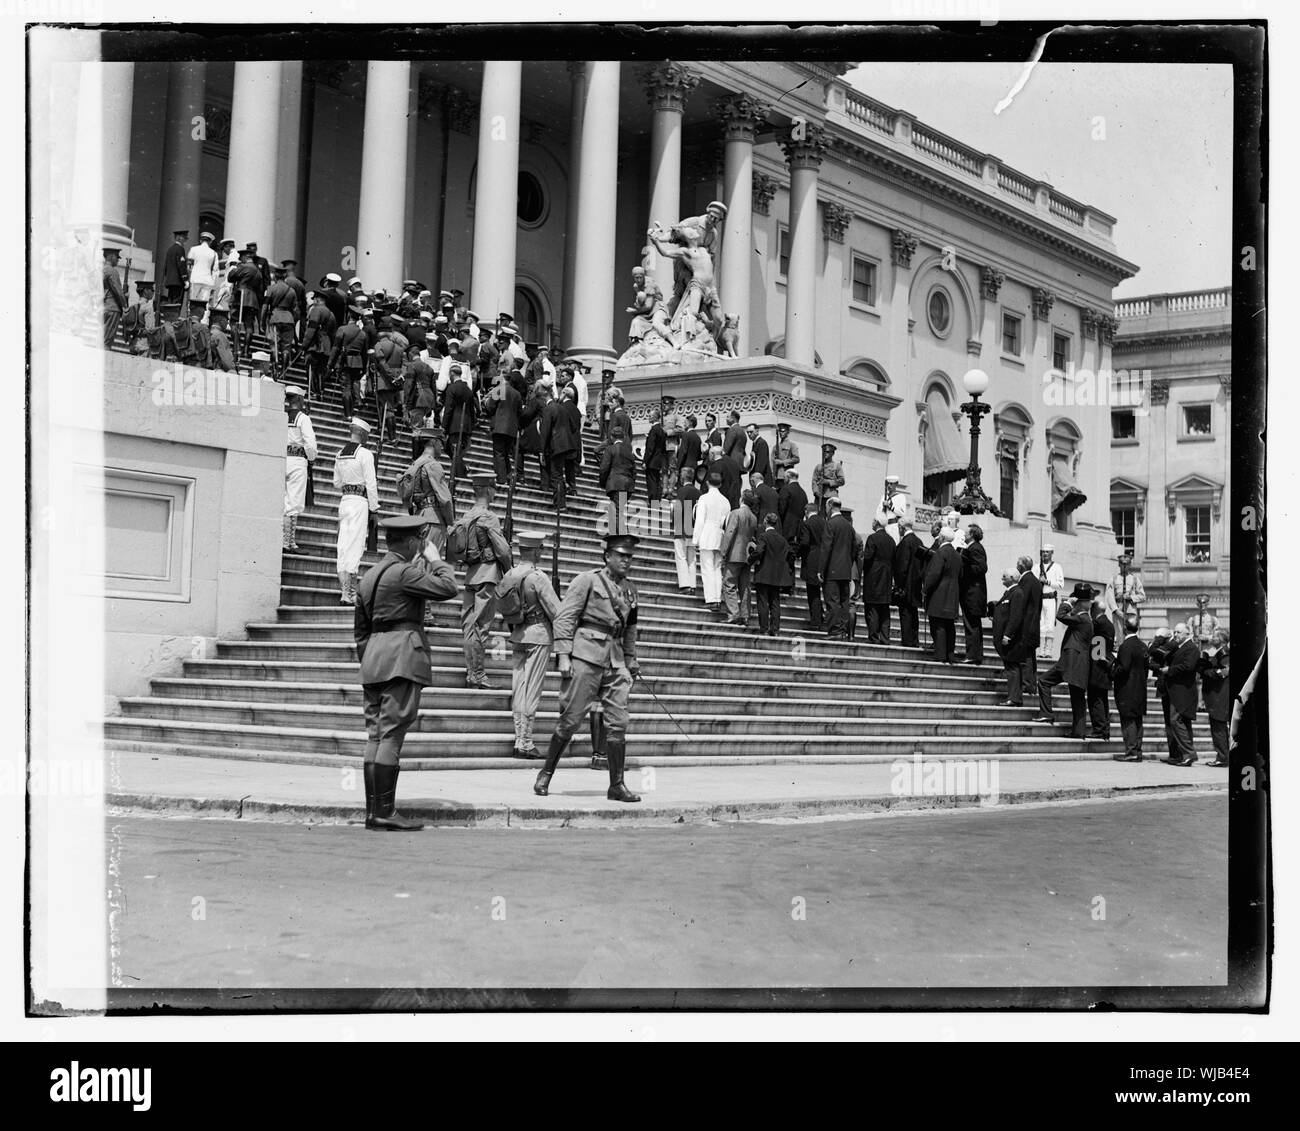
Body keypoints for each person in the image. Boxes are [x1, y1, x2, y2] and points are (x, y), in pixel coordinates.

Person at [355, 512, 460, 831]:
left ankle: (375, 811)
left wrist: (371, 657)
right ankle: (384, 813)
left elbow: (360, 631)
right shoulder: (403, 572)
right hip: (401, 658)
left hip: (374, 658)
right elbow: (448, 587)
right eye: (421, 541)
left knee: (376, 735)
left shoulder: (370, 574)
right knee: (391, 735)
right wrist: (436, 558)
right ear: (413, 541)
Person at [534, 532, 643, 803]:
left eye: (630, 557)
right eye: (621, 556)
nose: (626, 561)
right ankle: (546, 772)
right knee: (571, 719)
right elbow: (565, 617)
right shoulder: (588, 580)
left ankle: (616, 785)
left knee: (619, 722)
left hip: (615, 661)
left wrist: (631, 660)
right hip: (585, 656)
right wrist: (563, 655)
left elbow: (630, 628)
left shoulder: (631, 589)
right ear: (607, 556)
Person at [500, 531, 561, 760]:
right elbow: (556, 611)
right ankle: (525, 741)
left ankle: (519, 738)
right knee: (532, 690)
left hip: (518, 634)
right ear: (535, 551)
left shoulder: (511, 574)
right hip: (538, 636)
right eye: (541, 549)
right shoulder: (538, 577)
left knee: (519, 688)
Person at [457, 472, 514, 691]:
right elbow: (503, 550)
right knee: (481, 626)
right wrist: (509, 571)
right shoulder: (489, 517)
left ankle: (471, 670)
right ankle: (477, 673)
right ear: (489, 491)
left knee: (469, 625)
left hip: (471, 574)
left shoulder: (467, 515)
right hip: (488, 574)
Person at [1035, 583, 1095, 738]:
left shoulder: (1081, 618)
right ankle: (1078, 732)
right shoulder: (1086, 618)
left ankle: (1047, 713)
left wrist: (1068, 602)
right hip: (1078, 663)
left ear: (1078, 602)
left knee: (1043, 681)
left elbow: (1060, 615)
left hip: (1070, 661)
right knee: (1078, 699)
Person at [331, 417, 380, 604]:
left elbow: (336, 483)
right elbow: (371, 483)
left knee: (343, 546)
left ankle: (345, 591)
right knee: (355, 546)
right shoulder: (365, 454)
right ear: (362, 433)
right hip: (359, 502)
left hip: (345, 501)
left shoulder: (339, 453)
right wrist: (374, 508)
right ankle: (350, 593)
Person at [998, 555, 1042, 706]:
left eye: (1018, 563)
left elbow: (1020, 606)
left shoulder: (1025, 582)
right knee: (1029, 657)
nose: (1017, 565)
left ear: (1023, 566)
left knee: (1025, 658)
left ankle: (1027, 685)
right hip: (1032, 625)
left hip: (1026, 627)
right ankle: (1029, 685)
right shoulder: (1035, 581)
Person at [402, 429, 454, 555]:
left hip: (419, 516)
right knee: (430, 564)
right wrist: (450, 522)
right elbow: (445, 499)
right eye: (440, 443)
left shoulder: (415, 464)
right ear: (434, 443)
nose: (442, 446)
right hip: (434, 519)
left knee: (420, 564)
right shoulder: (433, 465)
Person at [819, 498, 861, 640]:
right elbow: (854, 548)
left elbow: (826, 549)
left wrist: (821, 570)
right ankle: (842, 630)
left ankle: (835, 631)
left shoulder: (830, 524)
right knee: (844, 602)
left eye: (826, 506)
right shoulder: (849, 526)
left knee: (832, 601)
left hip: (832, 570)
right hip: (845, 571)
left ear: (830, 506)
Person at [1160, 622, 1201, 765]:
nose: (1175, 635)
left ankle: (1189, 753)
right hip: (1177, 691)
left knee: (1175, 720)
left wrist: (1169, 670)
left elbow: (1188, 667)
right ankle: (1181, 755)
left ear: (1187, 634)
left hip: (1183, 692)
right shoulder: (1180, 647)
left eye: (1178, 632)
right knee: (1182, 722)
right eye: (1175, 632)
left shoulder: (1192, 648)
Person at [283, 386, 316, 552]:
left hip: (281, 458)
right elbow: (310, 444)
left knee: (283, 500)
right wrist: (311, 459)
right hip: (297, 461)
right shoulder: (303, 418)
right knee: (293, 502)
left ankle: (285, 540)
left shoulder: (281, 414)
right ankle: (288, 542)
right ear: (299, 399)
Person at [1112, 615, 1150, 762]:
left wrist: (1112, 670)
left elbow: (1123, 668)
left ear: (1125, 629)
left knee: (1128, 721)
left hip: (1127, 689)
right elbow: (1146, 670)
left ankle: (1131, 751)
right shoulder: (1142, 645)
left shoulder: (1126, 646)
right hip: (1140, 688)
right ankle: (1137, 750)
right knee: (1137, 720)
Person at [693, 471, 732, 613]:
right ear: (720, 484)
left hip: (707, 534)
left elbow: (700, 520)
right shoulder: (725, 501)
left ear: (707, 483)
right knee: (717, 569)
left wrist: (695, 539)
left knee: (707, 568)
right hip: (719, 535)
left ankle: (711, 599)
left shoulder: (704, 498)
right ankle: (717, 598)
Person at [922, 525, 962, 662]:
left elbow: (934, 574)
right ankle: (950, 654)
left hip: (939, 593)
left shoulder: (940, 553)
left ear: (942, 537)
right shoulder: (957, 555)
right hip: (953, 594)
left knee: (938, 625)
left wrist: (925, 589)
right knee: (949, 626)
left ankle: (940, 655)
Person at [541, 384, 583, 509]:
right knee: (558, 474)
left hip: (556, 446)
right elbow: (574, 427)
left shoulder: (549, 409)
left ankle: (560, 504)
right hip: (567, 445)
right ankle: (561, 501)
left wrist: (542, 450)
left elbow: (545, 431)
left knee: (556, 475)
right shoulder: (563, 408)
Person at [721, 488, 758, 627]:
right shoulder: (753, 517)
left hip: (734, 554)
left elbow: (730, 533)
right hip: (746, 556)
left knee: (729, 583)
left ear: (742, 498)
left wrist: (723, 551)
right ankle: (745, 615)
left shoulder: (736, 513)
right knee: (745, 586)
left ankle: (733, 614)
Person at [753, 512, 794, 636]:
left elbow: (759, 551)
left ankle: (764, 628)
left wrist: (751, 559)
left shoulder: (764, 536)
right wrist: (786, 566)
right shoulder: (782, 539)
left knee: (762, 601)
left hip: (763, 573)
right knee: (775, 603)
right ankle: (775, 629)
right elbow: (791, 553)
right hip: (777, 575)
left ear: (766, 521)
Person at [329, 305, 369, 420]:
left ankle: (348, 414)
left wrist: (330, 363)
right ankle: (351, 412)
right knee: (351, 386)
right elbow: (364, 354)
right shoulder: (362, 334)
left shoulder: (342, 329)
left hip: (345, 362)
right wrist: (364, 369)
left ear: (349, 315)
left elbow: (336, 348)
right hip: (358, 363)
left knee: (346, 387)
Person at [860, 518, 896, 645]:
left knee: (872, 608)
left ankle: (874, 637)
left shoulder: (872, 538)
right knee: (884, 609)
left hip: (874, 577)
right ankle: (885, 637)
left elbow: (868, 557)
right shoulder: (891, 540)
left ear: (876, 524)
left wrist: (862, 564)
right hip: (886, 578)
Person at [1147, 628, 1179, 764]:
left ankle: (1176, 754)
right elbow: (1155, 661)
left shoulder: (1171, 645)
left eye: (1159, 637)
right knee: (1168, 723)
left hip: (1172, 688)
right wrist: (1157, 668)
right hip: (1164, 686)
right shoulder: (1166, 645)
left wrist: (1156, 640)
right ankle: (1173, 754)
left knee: (1172, 722)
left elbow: (1153, 651)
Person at [1199, 628, 1230, 766]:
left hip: (1219, 695)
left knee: (1218, 727)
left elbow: (1222, 673)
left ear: (1222, 640)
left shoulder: (1225, 654)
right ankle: (1223, 756)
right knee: (1218, 727)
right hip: (1215, 694)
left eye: (1215, 636)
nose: (1212, 638)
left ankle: (1223, 757)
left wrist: (1206, 670)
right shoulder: (1214, 652)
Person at [599, 423, 638, 534]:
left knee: (616, 510)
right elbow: (634, 471)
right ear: (624, 437)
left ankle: (620, 535)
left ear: (612, 437)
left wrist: (603, 483)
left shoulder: (610, 449)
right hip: (627, 485)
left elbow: (604, 468)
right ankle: (617, 533)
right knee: (618, 510)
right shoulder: (629, 452)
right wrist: (632, 483)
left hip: (616, 484)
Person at [485, 371, 522, 485]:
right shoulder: (517, 394)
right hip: (511, 428)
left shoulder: (499, 389)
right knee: (505, 453)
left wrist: (486, 401)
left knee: (499, 453)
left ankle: (502, 478)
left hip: (500, 426)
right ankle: (508, 475)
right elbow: (519, 412)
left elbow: (490, 407)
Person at [893, 520, 926, 648]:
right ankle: (914, 639)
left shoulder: (905, 543)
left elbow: (902, 566)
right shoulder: (919, 541)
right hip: (916, 583)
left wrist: (899, 584)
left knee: (906, 613)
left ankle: (907, 640)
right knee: (914, 613)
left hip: (906, 584)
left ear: (902, 528)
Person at [1087, 591, 1116, 739]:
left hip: (1097, 668)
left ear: (1095, 610)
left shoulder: (1098, 624)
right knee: (1102, 700)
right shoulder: (1109, 624)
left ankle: (1099, 729)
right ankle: (1104, 729)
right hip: (1103, 669)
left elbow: (1097, 649)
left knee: (1095, 700)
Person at [958, 523, 988, 664]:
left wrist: (964, 568)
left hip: (973, 593)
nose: (964, 534)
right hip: (971, 592)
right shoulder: (972, 548)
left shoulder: (975, 548)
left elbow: (981, 568)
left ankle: (973, 655)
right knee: (972, 624)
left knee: (971, 624)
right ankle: (975, 654)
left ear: (972, 535)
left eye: (966, 533)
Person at [262, 263, 300, 373]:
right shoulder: (292, 291)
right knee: (286, 347)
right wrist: (293, 320)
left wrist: (262, 322)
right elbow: (296, 310)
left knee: (274, 345)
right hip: (289, 319)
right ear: (285, 276)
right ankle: (284, 370)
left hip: (275, 317)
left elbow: (265, 307)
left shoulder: (271, 288)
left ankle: (275, 367)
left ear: (275, 276)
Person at [441, 364, 477, 478]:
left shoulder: (452, 388)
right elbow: (472, 410)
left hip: (454, 424)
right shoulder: (468, 390)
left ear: (452, 374)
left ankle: (461, 473)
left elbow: (449, 408)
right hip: (466, 425)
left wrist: (444, 426)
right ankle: (460, 470)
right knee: (455, 450)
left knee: (452, 450)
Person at [301, 292, 337, 401]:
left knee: (311, 368)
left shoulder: (316, 310)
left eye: (314, 299)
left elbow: (311, 329)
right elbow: (333, 334)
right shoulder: (331, 314)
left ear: (317, 299)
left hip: (315, 345)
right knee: (321, 371)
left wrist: (304, 345)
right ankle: (321, 392)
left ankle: (312, 391)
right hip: (326, 347)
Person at [989, 569, 1020, 697]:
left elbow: (1015, 616)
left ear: (1012, 577)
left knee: (1012, 668)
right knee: (1010, 667)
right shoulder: (1009, 592)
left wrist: (1007, 635)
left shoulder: (1017, 593)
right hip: (1004, 637)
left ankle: (1014, 697)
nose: (1002, 577)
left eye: (1004, 576)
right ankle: (1013, 697)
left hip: (1010, 639)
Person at [517, 382, 552, 491]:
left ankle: (519, 476)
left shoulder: (536, 401)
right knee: (543, 456)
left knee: (519, 449)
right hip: (544, 432)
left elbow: (526, 414)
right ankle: (545, 483)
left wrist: (521, 411)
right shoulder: (548, 402)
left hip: (534, 430)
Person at [1104, 550, 1146, 639]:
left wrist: (1131, 597)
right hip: (1118, 611)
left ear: (1129, 565)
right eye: (1122, 564)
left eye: (1126, 564)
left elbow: (1142, 596)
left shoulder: (1135, 579)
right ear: (1119, 565)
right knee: (1119, 636)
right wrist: (1116, 610)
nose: (1124, 566)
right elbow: (1110, 597)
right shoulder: (1113, 579)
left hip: (1131, 612)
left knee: (1131, 635)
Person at [672, 467, 701, 595]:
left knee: (681, 556)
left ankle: (685, 584)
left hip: (682, 527)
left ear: (682, 477)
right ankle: (693, 585)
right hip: (693, 527)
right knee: (692, 557)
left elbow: (679, 508)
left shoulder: (682, 490)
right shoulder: (698, 493)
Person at [798, 501, 827, 630]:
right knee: (821, 591)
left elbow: (805, 542)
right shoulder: (824, 522)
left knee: (813, 592)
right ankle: (821, 616)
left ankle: (816, 620)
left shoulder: (807, 523)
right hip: (823, 559)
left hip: (811, 559)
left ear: (806, 511)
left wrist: (798, 552)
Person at [1036, 545, 1066, 660]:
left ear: (1052, 553)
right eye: (1043, 552)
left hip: (1050, 598)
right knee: (1040, 625)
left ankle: (1048, 650)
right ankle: (1040, 650)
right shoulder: (1036, 567)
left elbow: (1060, 584)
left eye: (1047, 552)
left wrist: (1047, 581)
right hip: (1039, 598)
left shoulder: (1057, 567)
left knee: (1049, 625)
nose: (1045, 554)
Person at [186, 231, 219, 314]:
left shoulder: (193, 249)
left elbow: (189, 266)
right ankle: (203, 322)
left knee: (193, 301)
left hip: (195, 279)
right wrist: (213, 284)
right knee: (204, 303)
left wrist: (188, 278)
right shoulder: (214, 253)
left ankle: (191, 319)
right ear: (210, 242)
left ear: (201, 240)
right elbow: (215, 271)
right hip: (207, 281)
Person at [102, 247, 127, 347]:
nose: (117, 260)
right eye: (116, 257)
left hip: (104, 306)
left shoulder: (101, 269)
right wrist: (125, 305)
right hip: (113, 308)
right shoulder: (112, 271)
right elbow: (118, 291)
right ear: (111, 256)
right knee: (107, 341)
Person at [161, 229, 189, 314]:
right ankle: (174, 321)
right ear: (179, 238)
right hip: (178, 281)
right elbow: (181, 265)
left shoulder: (170, 249)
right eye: (185, 238)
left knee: (171, 302)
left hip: (170, 281)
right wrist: (185, 280)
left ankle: (169, 319)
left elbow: (166, 266)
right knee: (177, 304)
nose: (185, 240)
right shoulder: (180, 249)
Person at [643, 408, 668, 503]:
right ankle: (657, 500)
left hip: (652, 461)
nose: (648, 418)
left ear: (655, 418)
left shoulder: (654, 430)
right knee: (657, 481)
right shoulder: (661, 430)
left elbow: (650, 448)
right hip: (658, 461)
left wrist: (645, 461)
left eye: (650, 416)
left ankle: (653, 501)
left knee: (652, 482)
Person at [811, 443, 845, 515]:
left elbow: (842, 481)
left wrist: (828, 482)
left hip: (831, 496)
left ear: (832, 453)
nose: (825, 454)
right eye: (823, 452)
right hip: (819, 497)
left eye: (827, 452)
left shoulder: (836, 466)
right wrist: (816, 492)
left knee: (831, 515)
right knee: (818, 515)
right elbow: (814, 480)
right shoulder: (818, 466)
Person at [875, 475, 910, 540]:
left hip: (893, 527)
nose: (889, 486)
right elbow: (878, 511)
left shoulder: (900, 496)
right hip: (883, 527)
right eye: (888, 484)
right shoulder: (883, 497)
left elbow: (903, 513)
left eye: (891, 484)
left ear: (896, 484)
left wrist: (890, 507)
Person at [777, 470, 808, 544]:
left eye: (784, 477)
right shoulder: (803, 492)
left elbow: (782, 509)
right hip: (799, 529)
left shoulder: (786, 489)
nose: (784, 480)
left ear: (788, 476)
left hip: (786, 527)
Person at [673, 414, 702, 485]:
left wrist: (678, 468)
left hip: (685, 467)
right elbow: (699, 455)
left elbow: (683, 452)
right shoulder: (698, 437)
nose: (684, 424)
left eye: (685, 422)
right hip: (694, 466)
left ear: (690, 423)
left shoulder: (686, 435)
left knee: (683, 487)